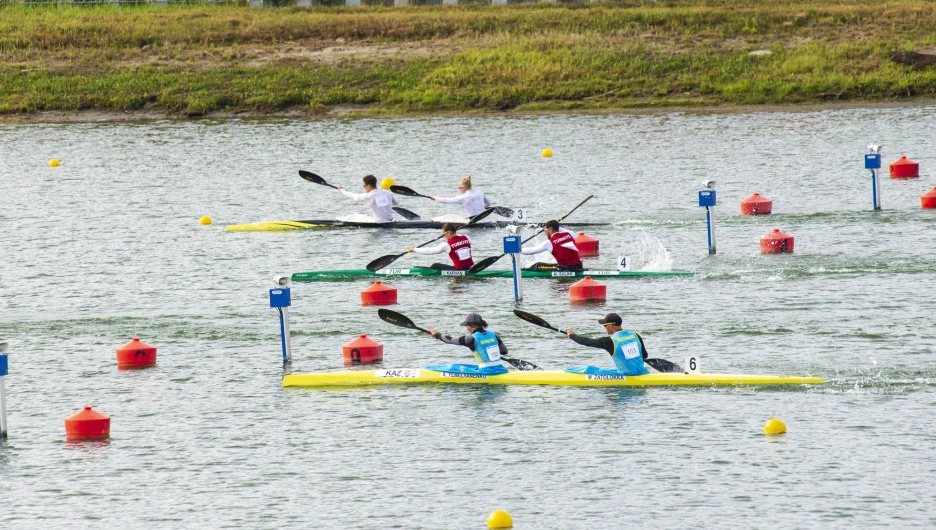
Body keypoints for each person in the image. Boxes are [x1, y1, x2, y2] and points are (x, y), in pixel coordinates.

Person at [564, 313, 649, 375]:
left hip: (626, 376)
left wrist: (572, 335)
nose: (604, 327)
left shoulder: (610, 341)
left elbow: (587, 341)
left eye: (605, 325)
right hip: (641, 372)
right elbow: (645, 355)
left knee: (588, 370)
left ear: (611, 326)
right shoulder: (635, 335)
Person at [426, 313, 509, 375]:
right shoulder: (494, 335)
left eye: (467, 326)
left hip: (486, 372)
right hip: (501, 369)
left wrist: (437, 335)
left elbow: (450, 340)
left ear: (473, 325)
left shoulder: (471, 338)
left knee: (455, 367)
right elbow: (505, 352)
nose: (467, 329)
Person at [519, 219, 584, 271]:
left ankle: (521, 272)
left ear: (550, 230)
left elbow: (531, 250)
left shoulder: (549, 243)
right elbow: (559, 228)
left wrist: (516, 249)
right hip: (578, 266)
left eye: (545, 230)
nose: (545, 233)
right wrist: (555, 225)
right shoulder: (570, 234)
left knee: (538, 265)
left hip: (565, 269)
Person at [408, 222, 473, 271]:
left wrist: (415, 249)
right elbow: (458, 239)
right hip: (471, 268)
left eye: (444, 234)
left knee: (435, 266)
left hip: (459, 270)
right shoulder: (467, 237)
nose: (444, 236)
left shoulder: (447, 245)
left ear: (448, 233)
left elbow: (429, 251)